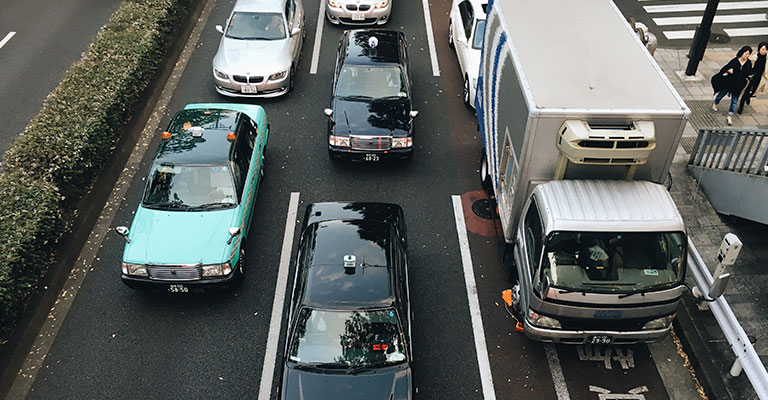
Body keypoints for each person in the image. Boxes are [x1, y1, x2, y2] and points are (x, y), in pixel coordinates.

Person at [712, 45, 753, 125]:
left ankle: (730, 116)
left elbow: (747, 73)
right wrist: (729, 71)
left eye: (748, 54)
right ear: (742, 53)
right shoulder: (734, 61)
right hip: (729, 83)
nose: (747, 56)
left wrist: (748, 76)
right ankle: (715, 103)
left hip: (739, 85)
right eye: (746, 53)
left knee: (734, 101)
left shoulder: (748, 63)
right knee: (721, 94)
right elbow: (725, 68)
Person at [738, 41, 768, 114]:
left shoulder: (767, 58)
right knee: (746, 91)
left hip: (760, 78)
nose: (764, 51)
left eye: (766, 50)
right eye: (762, 49)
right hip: (752, 77)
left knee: (754, 92)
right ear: (759, 49)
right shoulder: (754, 58)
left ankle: (749, 97)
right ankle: (741, 107)